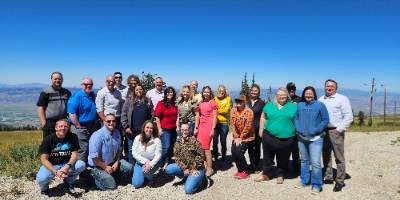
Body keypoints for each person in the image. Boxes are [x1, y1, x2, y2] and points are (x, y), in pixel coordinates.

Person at [255, 87, 297, 184]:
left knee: (284, 157)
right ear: (276, 96)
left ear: (287, 96)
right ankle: (266, 174)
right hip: (269, 136)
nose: (282, 97)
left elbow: (298, 120)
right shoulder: (269, 105)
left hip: (287, 137)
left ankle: (280, 174)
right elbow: (263, 117)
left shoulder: (293, 106)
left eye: (284, 95)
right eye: (280, 95)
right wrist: (261, 129)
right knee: (267, 156)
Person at [319, 79, 353, 192]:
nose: (329, 88)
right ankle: (328, 176)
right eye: (327, 86)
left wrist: (339, 129)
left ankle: (340, 181)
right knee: (326, 155)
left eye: (331, 86)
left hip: (336, 131)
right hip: (324, 131)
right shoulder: (320, 99)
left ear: (336, 88)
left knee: (339, 157)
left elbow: (348, 116)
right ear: (324, 87)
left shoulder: (342, 99)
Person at [295, 86, 329, 194]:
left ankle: (317, 185)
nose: (308, 95)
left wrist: (316, 130)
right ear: (303, 94)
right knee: (304, 161)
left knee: (315, 162)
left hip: (316, 138)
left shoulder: (320, 105)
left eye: (310, 93)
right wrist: (298, 128)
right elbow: (296, 118)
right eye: (306, 93)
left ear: (314, 94)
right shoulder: (300, 105)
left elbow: (325, 119)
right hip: (302, 137)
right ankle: (304, 181)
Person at [36, 119, 85, 195]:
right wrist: (55, 171)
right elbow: (44, 159)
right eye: (60, 126)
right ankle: (44, 188)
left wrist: (67, 166)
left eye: (65, 126)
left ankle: (69, 181)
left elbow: (74, 154)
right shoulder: (48, 139)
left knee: (81, 165)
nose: (63, 128)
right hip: (52, 165)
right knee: (41, 178)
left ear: (68, 128)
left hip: (66, 163)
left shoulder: (73, 137)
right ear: (56, 128)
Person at [88, 114, 132, 190]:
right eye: (108, 121)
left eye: (113, 121)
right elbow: (94, 158)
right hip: (98, 166)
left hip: (112, 163)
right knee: (111, 187)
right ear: (104, 122)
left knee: (129, 168)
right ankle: (94, 178)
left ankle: (111, 176)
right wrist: (105, 167)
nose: (111, 123)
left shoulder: (117, 133)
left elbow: (119, 149)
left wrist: (117, 162)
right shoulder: (97, 136)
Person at [166, 123, 206, 194]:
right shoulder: (178, 142)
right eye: (183, 130)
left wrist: (194, 168)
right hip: (186, 167)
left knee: (188, 190)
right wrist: (184, 168)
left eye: (186, 130)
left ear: (189, 130)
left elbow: (201, 156)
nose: (184, 131)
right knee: (169, 169)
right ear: (180, 130)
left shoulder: (194, 141)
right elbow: (177, 158)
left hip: (197, 168)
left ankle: (201, 180)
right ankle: (186, 177)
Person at [67, 77, 97, 163]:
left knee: (90, 148)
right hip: (80, 127)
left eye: (90, 84)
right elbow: (72, 113)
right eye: (86, 84)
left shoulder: (92, 95)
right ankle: (80, 172)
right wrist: (78, 125)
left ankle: (86, 167)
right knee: (82, 150)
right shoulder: (77, 96)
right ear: (81, 85)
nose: (88, 86)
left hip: (91, 126)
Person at [121, 84, 153, 164]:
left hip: (144, 132)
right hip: (132, 131)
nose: (139, 91)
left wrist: (150, 126)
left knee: (143, 150)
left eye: (140, 89)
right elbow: (123, 114)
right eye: (137, 90)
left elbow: (152, 114)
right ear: (134, 92)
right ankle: (132, 167)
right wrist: (126, 127)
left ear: (143, 90)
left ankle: (141, 166)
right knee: (132, 149)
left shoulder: (147, 101)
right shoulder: (129, 100)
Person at [37, 71, 71, 138]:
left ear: (62, 80)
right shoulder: (46, 92)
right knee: (49, 143)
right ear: (52, 80)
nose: (57, 80)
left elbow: (71, 106)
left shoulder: (67, 92)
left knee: (64, 143)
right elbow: (40, 108)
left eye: (59, 79)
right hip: (50, 123)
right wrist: (44, 124)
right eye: (55, 79)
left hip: (63, 122)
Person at [194, 86, 217, 177]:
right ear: (202, 93)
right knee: (200, 147)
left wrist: (213, 129)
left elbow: (215, 117)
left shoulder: (213, 103)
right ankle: (205, 165)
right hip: (201, 126)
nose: (206, 93)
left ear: (210, 93)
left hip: (208, 126)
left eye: (208, 92)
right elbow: (197, 116)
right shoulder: (200, 103)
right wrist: (196, 127)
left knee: (206, 148)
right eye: (204, 92)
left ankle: (210, 168)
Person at [131, 120, 162, 188]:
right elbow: (134, 152)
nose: (149, 129)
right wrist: (146, 161)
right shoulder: (137, 138)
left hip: (152, 163)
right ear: (144, 128)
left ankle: (150, 178)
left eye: (151, 128)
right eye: (147, 127)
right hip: (139, 163)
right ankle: (143, 175)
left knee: (146, 172)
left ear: (153, 129)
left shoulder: (157, 140)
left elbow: (158, 155)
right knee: (136, 184)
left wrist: (150, 164)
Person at [230, 95, 254, 179]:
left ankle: (245, 170)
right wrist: (236, 137)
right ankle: (240, 170)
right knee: (233, 151)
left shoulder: (249, 112)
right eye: (237, 101)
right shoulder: (233, 110)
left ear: (244, 102)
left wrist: (241, 137)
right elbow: (232, 124)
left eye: (240, 101)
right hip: (237, 137)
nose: (238, 103)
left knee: (239, 151)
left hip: (247, 136)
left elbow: (248, 126)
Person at [154, 86, 178, 168]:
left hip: (173, 129)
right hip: (165, 129)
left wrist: (177, 126)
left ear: (173, 94)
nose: (169, 94)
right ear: (165, 94)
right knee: (166, 147)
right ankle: (160, 164)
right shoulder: (161, 103)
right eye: (167, 92)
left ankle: (169, 161)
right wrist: (159, 129)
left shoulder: (174, 104)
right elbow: (157, 116)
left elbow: (177, 115)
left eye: (171, 92)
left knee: (172, 146)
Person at [247, 84, 265, 171]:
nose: (253, 92)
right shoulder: (247, 101)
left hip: (258, 128)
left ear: (258, 93)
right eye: (252, 90)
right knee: (250, 146)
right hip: (248, 129)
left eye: (255, 91)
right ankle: (252, 163)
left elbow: (264, 116)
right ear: (250, 91)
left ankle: (257, 164)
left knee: (257, 147)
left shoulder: (261, 103)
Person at [213, 85, 231, 163]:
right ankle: (216, 157)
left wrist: (217, 110)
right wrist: (220, 109)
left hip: (223, 124)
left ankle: (223, 157)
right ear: (217, 91)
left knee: (223, 142)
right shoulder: (214, 98)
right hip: (215, 123)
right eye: (219, 90)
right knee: (215, 141)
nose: (221, 91)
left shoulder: (228, 99)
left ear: (225, 92)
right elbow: (213, 109)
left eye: (222, 90)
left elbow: (226, 110)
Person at [286, 82, 301, 175]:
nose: (291, 91)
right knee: (285, 149)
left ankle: (296, 169)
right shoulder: (284, 100)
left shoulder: (299, 99)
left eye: (293, 89)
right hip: (286, 128)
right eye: (289, 89)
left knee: (295, 150)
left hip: (296, 128)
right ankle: (285, 168)